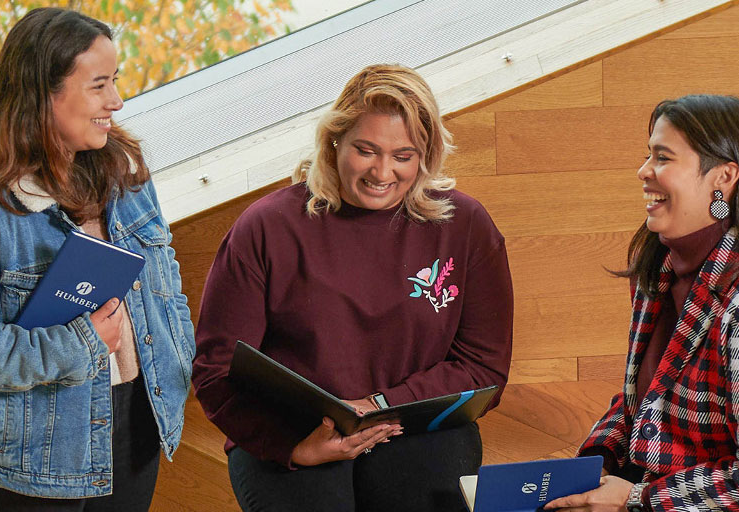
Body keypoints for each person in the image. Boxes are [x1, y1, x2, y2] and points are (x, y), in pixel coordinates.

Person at [190, 63, 514, 511]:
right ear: (334, 140)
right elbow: (217, 368)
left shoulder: (465, 225)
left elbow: (485, 366)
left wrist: (380, 405)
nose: (382, 172)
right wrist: (295, 448)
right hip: (292, 432)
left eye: (403, 155)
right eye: (366, 150)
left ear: (426, 155)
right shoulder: (266, 226)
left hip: (420, 428)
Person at [0, 7, 195, 512]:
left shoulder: (124, 172)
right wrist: (81, 342)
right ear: (43, 94)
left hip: (136, 414)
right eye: (99, 85)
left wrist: (178, 357)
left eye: (116, 81)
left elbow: (163, 272)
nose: (117, 100)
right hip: (36, 448)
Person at [544, 95, 739, 512]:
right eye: (649, 155)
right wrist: (592, 466)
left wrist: (634, 499)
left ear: (723, 178)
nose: (643, 171)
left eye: (663, 158)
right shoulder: (660, 271)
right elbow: (645, 401)